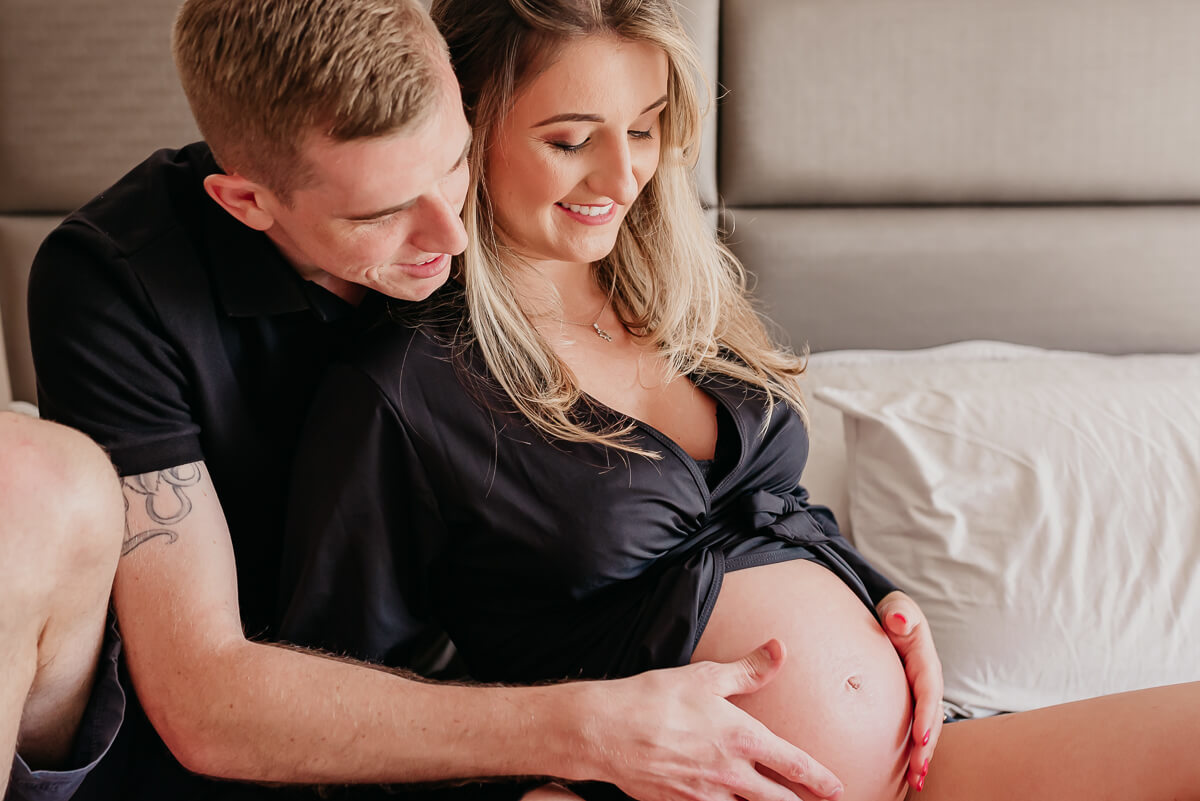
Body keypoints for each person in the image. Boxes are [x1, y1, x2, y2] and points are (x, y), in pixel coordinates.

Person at [278, 1, 1200, 801]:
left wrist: (881, 595)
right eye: (570, 140)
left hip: (913, 767)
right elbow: (348, 707)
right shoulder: (401, 389)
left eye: (642, 129)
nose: (620, 177)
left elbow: (774, 510)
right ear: (465, 128)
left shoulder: (675, 305)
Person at [6, 1, 853, 799]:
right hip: (220, 723)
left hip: (493, 684)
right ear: (247, 202)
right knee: (27, 480)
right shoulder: (120, 279)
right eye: (380, 213)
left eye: (454, 163)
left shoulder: (552, 229)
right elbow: (204, 696)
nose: (452, 237)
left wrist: (861, 589)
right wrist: (580, 726)